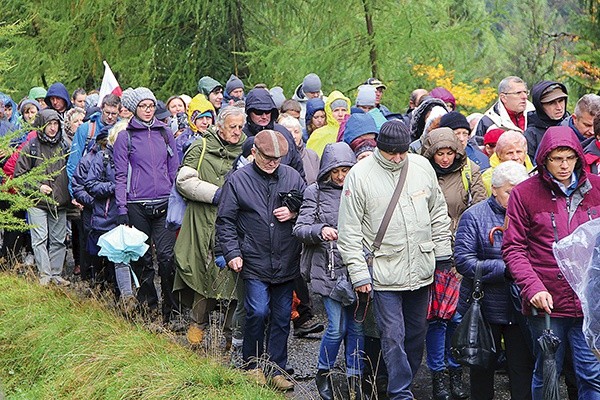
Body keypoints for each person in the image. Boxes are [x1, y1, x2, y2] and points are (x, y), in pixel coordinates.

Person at [338, 120, 453, 399]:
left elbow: (437, 213)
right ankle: (400, 393)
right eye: (392, 153)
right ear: (379, 148)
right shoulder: (360, 175)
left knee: (416, 335)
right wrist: (359, 275)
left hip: (422, 269)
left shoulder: (422, 167)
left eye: (402, 152)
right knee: (392, 336)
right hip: (383, 271)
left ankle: (403, 381)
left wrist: (443, 256)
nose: (398, 158)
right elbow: (349, 231)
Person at [503, 125, 600, 399]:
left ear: (579, 158)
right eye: (557, 158)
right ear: (544, 159)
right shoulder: (525, 193)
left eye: (569, 158)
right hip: (546, 301)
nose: (564, 165)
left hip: (589, 301)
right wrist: (533, 288)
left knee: (592, 373)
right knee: (547, 373)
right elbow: (513, 249)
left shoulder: (597, 190)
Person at [216, 130, 305, 392]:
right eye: (268, 158)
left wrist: (294, 212)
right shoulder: (238, 180)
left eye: (278, 158)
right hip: (252, 259)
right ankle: (252, 365)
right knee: (257, 311)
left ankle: (276, 368)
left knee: (280, 317)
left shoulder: (292, 176)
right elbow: (225, 221)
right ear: (254, 152)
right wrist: (232, 253)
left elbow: (310, 208)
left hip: (286, 258)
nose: (273, 163)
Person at [455, 160, 534, 400]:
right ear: (495, 189)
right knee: (481, 372)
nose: (517, 197)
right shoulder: (475, 216)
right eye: (511, 191)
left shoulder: (529, 215)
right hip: (484, 307)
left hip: (520, 305)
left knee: (522, 371)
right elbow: (464, 261)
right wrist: (505, 269)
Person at [293, 142, 363, 400]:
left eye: (346, 170)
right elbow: (300, 228)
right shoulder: (315, 192)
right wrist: (320, 230)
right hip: (328, 268)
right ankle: (323, 372)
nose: (341, 176)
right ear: (327, 170)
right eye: (336, 171)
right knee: (336, 327)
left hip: (357, 268)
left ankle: (355, 375)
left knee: (356, 327)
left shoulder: (358, 189)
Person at [421, 127, 486, 400]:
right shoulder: (420, 173)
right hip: (434, 252)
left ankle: (455, 370)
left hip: (464, 249)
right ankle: (438, 376)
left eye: (449, 153)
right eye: (440, 153)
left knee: (457, 317)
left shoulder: (469, 171)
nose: (445, 158)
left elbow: (481, 205)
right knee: (438, 317)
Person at [173, 105, 246, 345]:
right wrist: (217, 194)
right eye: (232, 127)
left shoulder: (247, 148)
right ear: (220, 126)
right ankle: (195, 333)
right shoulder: (201, 146)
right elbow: (184, 181)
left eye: (240, 127)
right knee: (202, 277)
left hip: (235, 222)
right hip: (202, 220)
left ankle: (228, 340)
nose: (237, 132)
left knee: (234, 281)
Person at [113, 87, 179, 324]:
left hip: (164, 203)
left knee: (167, 258)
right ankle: (149, 308)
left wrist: (175, 197)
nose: (149, 110)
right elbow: (120, 175)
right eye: (143, 106)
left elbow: (174, 168)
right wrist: (121, 208)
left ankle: (171, 312)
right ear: (134, 109)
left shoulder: (165, 133)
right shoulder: (125, 137)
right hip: (137, 204)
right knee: (142, 260)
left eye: (151, 105)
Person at [14, 109, 71, 286]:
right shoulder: (31, 146)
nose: (53, 128)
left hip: (59, 201)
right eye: (49, 125)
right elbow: (20, 176)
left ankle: (55, 274)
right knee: (40, 239)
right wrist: (38, 187)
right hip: (36, 202)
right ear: (41, 126)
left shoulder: (65, 145)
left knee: (59, 241)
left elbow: (73, 171)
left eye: (55, 124)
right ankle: (45, 275)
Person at [242, 88, 305, 178]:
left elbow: (298, 168)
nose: (264, 116)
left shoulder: (283, 132)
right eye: (258, 112)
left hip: (284, 187)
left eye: (268, 111)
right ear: (249, 112)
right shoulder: (241, 136)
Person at [474, 76, 534, 141]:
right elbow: (478, 148)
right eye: (518, 93)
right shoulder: (488, 122)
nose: (524, 96)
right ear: (503, 97)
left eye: (525, 92)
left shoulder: (536, 115)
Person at [524, 80, 569, 162]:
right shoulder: (532, 134)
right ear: (540, 106)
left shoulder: (571, 124)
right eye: (551, 103)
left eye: (561, 100)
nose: (559, 107)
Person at [481, 130, 534, 195]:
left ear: (525, 153)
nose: (515, 157)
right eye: (510, 153)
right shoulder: (488, 178)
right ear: (499, 156)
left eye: (519, 152)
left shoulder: (535, 174)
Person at [306, 91, 351, 157]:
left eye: (344, 110)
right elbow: (310, 159)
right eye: (336, 110)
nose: (340, 114)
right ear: (329, 112)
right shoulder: (318, 134)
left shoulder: (352, 132)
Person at [279, 115, 319, 185]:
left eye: (296, 132)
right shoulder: (277, 157)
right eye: (289, 132)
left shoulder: (312, 155)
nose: (293, 136)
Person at [175, 94, 216, 161]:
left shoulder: (220, 137)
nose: (205, 122)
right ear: (193, 121)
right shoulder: (182, 140)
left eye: (208, 118)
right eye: (200, 118)